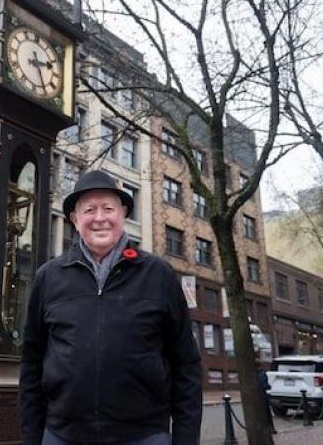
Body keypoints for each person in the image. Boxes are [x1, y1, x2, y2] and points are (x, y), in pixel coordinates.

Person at [20, 170, 202, 445]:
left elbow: (186, 364)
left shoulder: (158, 274)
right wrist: (32, 438)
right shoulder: (49, 277)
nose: (100, 218)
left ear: (123, 213)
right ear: (74, 219)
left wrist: (186, 440)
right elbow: (32, 362)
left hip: (144, 435)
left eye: (108, 208)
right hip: (62, 435)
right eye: (89, 210)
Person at [256, 357, 276, 435]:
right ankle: (270, 428)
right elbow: (265, 385)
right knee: (267, 414)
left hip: (256, 397)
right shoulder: (262, 374)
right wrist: (269, 386)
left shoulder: (253, 374)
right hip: (263, 396)